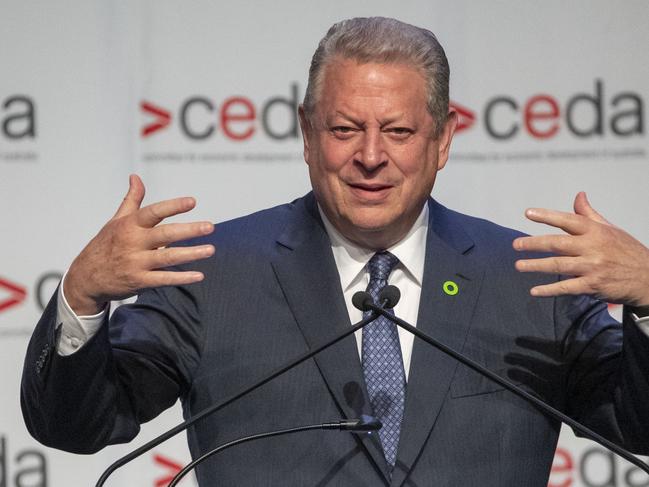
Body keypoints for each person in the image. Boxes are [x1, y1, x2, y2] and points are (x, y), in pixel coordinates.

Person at [21, 17, 649, 486]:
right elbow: (74, 427)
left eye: (398, 131)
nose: (370, 156)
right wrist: (80, 296)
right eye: (345, 128)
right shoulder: (212, 275)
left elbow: (637, 426)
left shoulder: (526, 279)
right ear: (306, 134)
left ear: (443, 140)